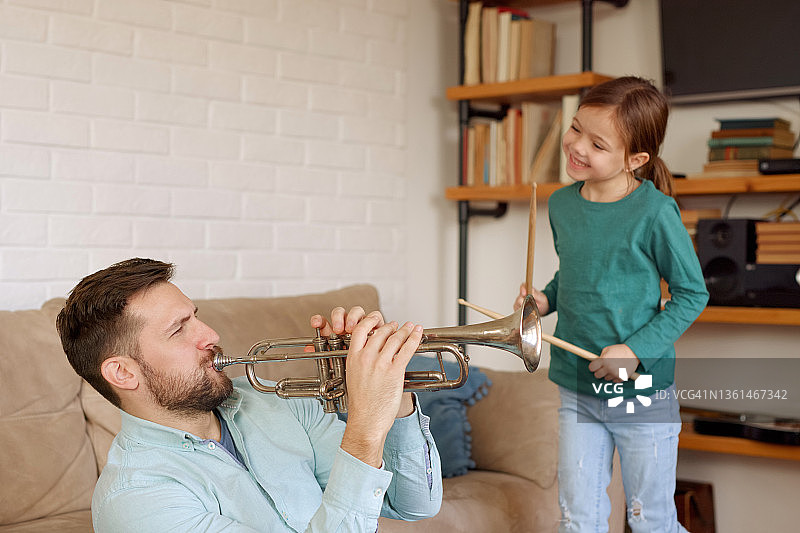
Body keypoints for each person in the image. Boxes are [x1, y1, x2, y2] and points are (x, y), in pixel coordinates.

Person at [56, 258, 442, 532]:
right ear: (123, 373)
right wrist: (366, 424)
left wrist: (396, 388)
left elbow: (413, 504)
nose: (210, 335)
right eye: (179, 330)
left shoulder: (270, 403)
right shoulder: (138, 500)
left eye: (196, 316)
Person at [514, 77, 708, 532]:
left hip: (642, 392)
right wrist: (544, 301)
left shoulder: (656, 212)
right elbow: (578, 274)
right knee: (578, 518)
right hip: (576, 386)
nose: (577, 146)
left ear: (635, 159)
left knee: (650, 518)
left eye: (597, 143)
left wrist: (634, 351)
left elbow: (692, 294)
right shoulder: (561, 204)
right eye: (576, 128)